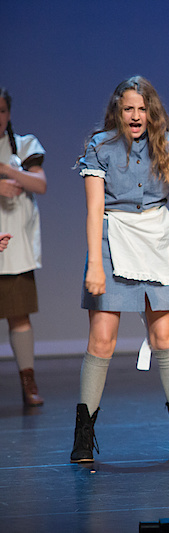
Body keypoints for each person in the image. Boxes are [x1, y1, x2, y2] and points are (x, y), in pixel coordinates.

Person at [71, 76, 169, 463]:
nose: (135, 116)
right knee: (103, 338)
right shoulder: (100, 147)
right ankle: (83, 435)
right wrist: (95, 265)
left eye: (142, 108)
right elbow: (93, 209)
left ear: (152, 112)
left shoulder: (166, 145)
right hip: (112, 239)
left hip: (155, 239)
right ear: (117, 112)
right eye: (128, 109)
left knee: (164, 336)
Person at [0, 86, 47, 407]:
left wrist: (7, 170)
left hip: (15, 245)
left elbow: (40, 183)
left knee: (19, 313)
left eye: (2, 110)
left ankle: (28, 381)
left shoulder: (24, 145)